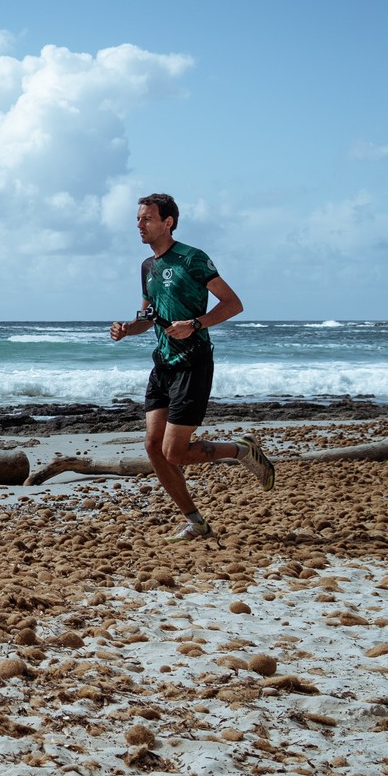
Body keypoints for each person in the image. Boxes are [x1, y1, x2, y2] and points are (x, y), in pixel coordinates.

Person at [108, 193, 275, 541]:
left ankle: (242, 450)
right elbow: (148, 315)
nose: (139, 225)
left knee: (175, 452)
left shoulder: (192, 259)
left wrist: (196, 324)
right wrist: (127, 328)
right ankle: (196, 522)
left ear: (168, 222)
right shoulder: (147, 267)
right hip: (163, 364)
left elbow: (233, 304)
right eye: (138, 219)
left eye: (147, 219)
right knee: (154, 447)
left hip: (193, 363)